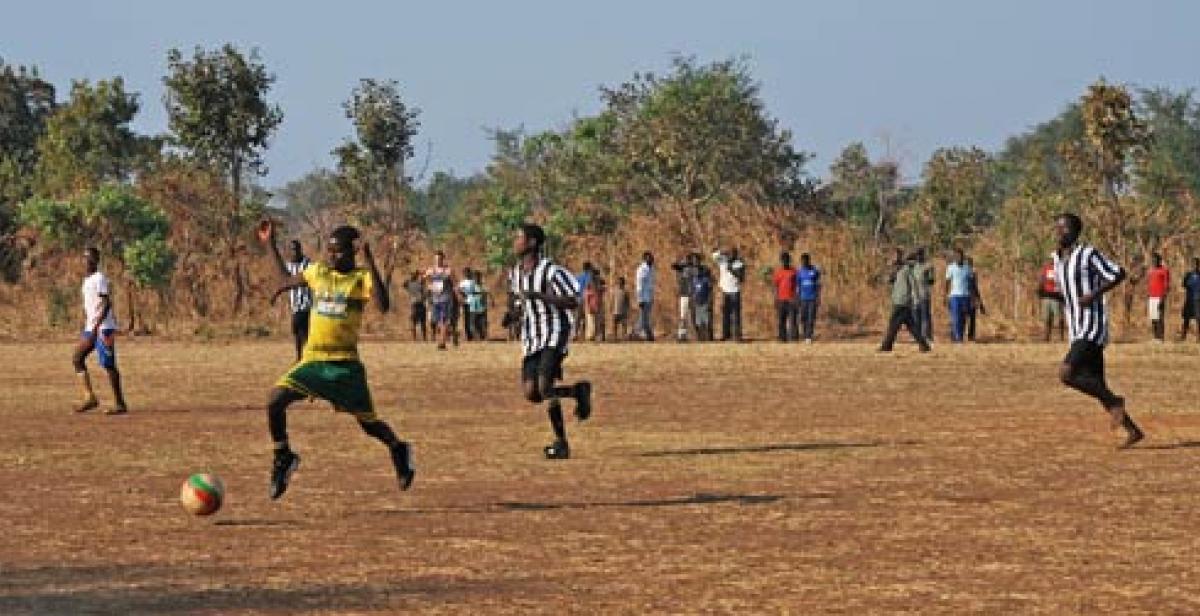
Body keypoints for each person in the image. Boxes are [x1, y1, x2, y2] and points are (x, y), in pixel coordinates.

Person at [263, 223, 415, 499]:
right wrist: (270, 244)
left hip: (345, 367)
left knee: (369, 425)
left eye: (338, 252)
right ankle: (283, 456)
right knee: (275, 400)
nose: (332, 257)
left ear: (353, 252)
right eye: (329, 251)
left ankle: (398, 448)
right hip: (314, 361)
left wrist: (369, 259)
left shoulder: (359, 279)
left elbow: (383, 305)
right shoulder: (318, 272)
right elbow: (285, 280)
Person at [1052, 212, 1144, 448]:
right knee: (1097, 384)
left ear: (1074, 232)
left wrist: (1093, 294)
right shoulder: (1057, 259)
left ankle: (1116, 401)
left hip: (1091, 326)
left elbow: (1118, 273)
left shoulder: (1087, 254)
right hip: (1075, 327)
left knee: (1067, 373)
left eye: (1062, 229)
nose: (1058, 232)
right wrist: (1047, 294)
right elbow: (1068, 295)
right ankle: (1133, 431)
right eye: (1057, 228)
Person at [511, 223, 594, 459]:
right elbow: (520, 303)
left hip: (554, 332)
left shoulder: (551, 271)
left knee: (545, 386)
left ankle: (561, 443)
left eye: (519, 238)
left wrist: (541, 296)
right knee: (532, 393)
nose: (515, 242)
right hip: (531, 337)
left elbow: (572, 300)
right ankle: (578, 391)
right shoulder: (516, 273)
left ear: (532, 243)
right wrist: (514, 315)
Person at [73, 247, 129, 415]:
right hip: (92, 327)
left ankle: (120, 403)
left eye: (88, 258)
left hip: (104, 328)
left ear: (95, 260)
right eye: (83, 258)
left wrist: (97, 324)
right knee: (77, 358)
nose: (85, 261)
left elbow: (107, 303)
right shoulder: (87, 280)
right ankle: (89, 397)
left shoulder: (99, 278)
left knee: (109, 365)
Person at [879, 251, 931, 353]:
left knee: (893, 325)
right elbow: (890, 279)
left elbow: (913, 285)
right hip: (900, 301)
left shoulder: (906, 271)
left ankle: (886, 346)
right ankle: (924, 345)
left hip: (902, 302)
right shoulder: (898, 271)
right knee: (912, 327)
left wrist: (916, 299)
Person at [269, 239, 313, 361]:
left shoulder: (308, 264)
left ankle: (304, 358)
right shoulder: (289, 265)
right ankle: (300, 357)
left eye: (295, 249)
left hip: (306, 305)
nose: (293, 252)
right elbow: (286, 283)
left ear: (300, 250)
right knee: (297, 332)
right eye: (291, 250)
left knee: (301, 330)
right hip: (294, 306)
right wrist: (276, 294)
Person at [713, 247, 746, 341]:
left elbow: (742, 277)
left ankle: (737, 335)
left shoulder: (739, 263)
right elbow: (714, 254)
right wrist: (723, 251)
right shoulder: (723, 260)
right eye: (730, 253)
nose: (731, 255)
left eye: (733, 254)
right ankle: (726, 335)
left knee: (736, 314)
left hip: (735, 290)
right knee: (725, 314)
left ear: (736, 254)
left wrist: (732, 269)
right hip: (724, 290)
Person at [425, 251, 456, 350]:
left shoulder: (448, 271)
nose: (438, 261)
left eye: (440, 259)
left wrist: (457, 295)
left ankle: (442, 343)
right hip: (435, 299)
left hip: (446, 298)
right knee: (436, 321)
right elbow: (425, 280)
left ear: (443, 259)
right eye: (436, 259)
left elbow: (455, 283)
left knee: (443, 320)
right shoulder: (431, 270)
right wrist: (429, 286)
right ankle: (452, 332)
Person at [669, 254, 698, 342]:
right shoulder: (682, 268)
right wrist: (683, 264)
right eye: (687, 259)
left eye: (690, 259)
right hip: (684, 295)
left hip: (692, 295)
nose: (689, 261)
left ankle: (696, 335)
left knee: (693, 317)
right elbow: (673, 266)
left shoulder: (695, 269)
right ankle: (682, 335)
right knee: (683, 316)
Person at [944, 249, 971, 343]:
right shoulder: (950, 268)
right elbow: (947, 282)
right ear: (954, 258)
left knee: (963, 318)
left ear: (963, 257)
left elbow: (971, 283)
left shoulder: (967, 268)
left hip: (965, 295)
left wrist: (974, 297)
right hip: (954, 296)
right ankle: (958, 338)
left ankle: (960, 335)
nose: (958, 258)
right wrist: (945, 296)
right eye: (956, 256)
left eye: (960, 256)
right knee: (956, 317)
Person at [772, 251, 798, 342]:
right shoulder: (778, 272)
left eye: (786, 260)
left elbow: (797, 285)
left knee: (793, 319)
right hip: (781, 299)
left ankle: (794, 337)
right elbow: (775, 286)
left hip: (791, 298)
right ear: (781, 261)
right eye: (783, 260)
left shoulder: (794, 272)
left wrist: (796, 297)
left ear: (789, 260)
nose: (785, 262)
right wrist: (775, 298)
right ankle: (782, 337)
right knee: (781, 319)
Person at [1037, 257, 1065, 342]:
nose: (1051, 260)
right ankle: (1046, 337)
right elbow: (1042, 280)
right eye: (1050, 259)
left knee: (1058, 318)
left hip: (1056, 297)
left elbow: (1064, 282)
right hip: (1046, 297)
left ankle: (1060, 337)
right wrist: (1039, 291)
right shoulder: (1046, 269)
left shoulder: (1061, 270)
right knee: (1046, 318)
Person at [796, 253, 821, 344]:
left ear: (808, 260)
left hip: (812, 298)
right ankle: (804, 333)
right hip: (803, 298)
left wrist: (818, 297)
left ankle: (809, 336)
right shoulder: (799, 272)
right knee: (803, 317)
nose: (804, 262)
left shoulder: (814, 271)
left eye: (805, 261)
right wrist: (797, 298)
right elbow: (798, 286)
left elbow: (818, 285)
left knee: (811, 317)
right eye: (802, 261)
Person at [912, 248, 934, 342]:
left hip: (924, 294)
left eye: (920, 254)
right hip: (914, 296)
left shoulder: (928, 266)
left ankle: (927, 337)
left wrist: (928, 274)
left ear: (923, 255)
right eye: (917, 255)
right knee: (916, 318)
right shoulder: (913, 266)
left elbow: (932, 281)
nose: (918, 256)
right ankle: (918, 337)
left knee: (925, 317)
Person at [1147, 253, 1170, 342]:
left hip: (1159, 296)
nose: (1154, 261)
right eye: (1152, 260)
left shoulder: (1164, 270)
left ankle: (1161, 337)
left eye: (1155, 259)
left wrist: (1163, 298)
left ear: (1159, 260)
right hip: (1151, 297)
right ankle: (1155, 337)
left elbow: (1166, 285)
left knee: (1160, 317)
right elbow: (1149, 283)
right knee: (1153, 317)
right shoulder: (1151, 271)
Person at [635, 252, 656, 342]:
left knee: (645, 317)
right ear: (645, 259)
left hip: (649, 297)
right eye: (649, 258)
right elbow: (639, 285)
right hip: (643, 297)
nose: (652, 259)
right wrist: (640, 299)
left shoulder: (652, 269)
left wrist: (652, 297)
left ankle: (644, 334)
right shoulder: (641, 269)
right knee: (643, 318)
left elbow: (651, 284)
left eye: (652, 258)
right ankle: (641, 334)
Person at [966, 257, 987, 342]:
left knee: (972, 318)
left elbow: (975, 288)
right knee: (964, 318)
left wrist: (980, 304)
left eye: (970, 264)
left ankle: (970, 336)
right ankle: (962, 336)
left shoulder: (973, 273)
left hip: (972, 297)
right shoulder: (965, 273)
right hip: (964, 297)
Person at [403, 271, 428, 342]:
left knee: (417, 322)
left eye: (413, 274)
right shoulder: (415, 284)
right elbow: (425, 293)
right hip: (418, 304)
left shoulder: (412, 284)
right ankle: (420, 338)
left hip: (416, 304)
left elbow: (404, 284)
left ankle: (418, 339)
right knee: (418, 322)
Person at [692, 265, 714, 342]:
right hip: (697, 303)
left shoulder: (706, 280)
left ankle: (708, 337)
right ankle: (700, 337)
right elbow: (693, 291)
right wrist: (694, 301)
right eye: (695, 271)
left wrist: (709, 301)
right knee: (698, 321)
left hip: (704, 302)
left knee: (706, 320)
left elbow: (710, 291)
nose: (696, 272)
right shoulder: (694, 280)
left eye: (698, 271)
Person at [1180, 258, 1200, 341]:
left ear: (1198, 265)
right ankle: (1183, 336)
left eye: (1196, 264)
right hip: (1189, 299)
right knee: (1186, 318)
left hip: (1198, 299)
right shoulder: (1188, 275)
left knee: (1198, 318)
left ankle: (1198, 337)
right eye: (1193, 264)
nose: (1194, 266)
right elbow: (1183, 285)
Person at [584, 270, 606, 342]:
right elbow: (587, 296)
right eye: (596, 276)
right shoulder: (589, 285)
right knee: (591, 322)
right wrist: (587, 306)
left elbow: (604, 289)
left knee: (598, 322)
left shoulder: (599, 284)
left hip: (598, 305)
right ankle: (591, 336)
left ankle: (596, 336)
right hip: (591, 305)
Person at [575, 262, 593, 342]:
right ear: (589, 268)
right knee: (587, 317)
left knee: (578, 318)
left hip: (578, 299)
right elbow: (589, 287)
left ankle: (575, 334)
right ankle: (585, 335)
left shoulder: (578, 277)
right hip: (586, 299)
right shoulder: (590, 277)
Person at [469, 269, 490, 341]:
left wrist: (491, 300)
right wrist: (481, 293)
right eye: (475, 277)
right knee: (473, 323)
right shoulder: (471, 286)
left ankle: (484, 336)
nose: (476, 278)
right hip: (473, 307)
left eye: (478, 277)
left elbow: (488, 293)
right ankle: (476, 337)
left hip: (482, 307)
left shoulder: (483, 286)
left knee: (483, 322)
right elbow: (471, 293)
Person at [612, 276, 631, 341]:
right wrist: (611, 308)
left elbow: (628, 302)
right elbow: (612, 300)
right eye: (619, 282)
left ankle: (624, 337)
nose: (620, 283)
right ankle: (615, 337)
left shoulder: (625, 292)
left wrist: (627, 310)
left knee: (624, 325)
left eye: (621, 282)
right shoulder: (615, 291)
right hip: (615, 311)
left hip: (623, 311)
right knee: (615, 325)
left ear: (623, 283)